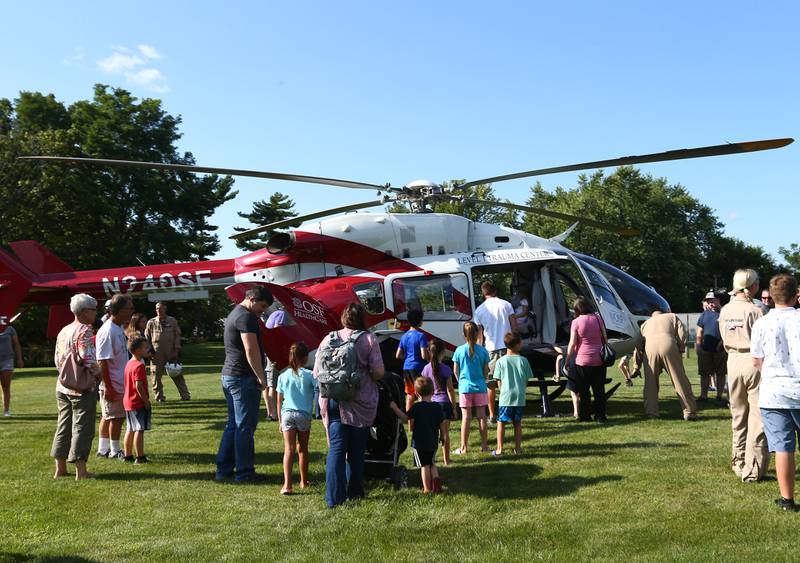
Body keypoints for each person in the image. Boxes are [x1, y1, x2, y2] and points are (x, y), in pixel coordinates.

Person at [314, 302, 384, 508]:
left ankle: (333, 498)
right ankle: (355, 492)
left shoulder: (329, 338)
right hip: (359, 402)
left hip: (333, 399)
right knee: (356, 449)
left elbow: (318, 371)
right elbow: (378, 372)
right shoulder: (369, 339)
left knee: (336, 448)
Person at [750, 274, 800, 511]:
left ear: (770, 296)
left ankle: (787, 499)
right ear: (795, 295)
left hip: (773, 393)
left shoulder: (761, 323)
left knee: (783, 448)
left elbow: (757, 360)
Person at [216, 286, 273, 483]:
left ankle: (223, 470)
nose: (262, 311)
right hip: (242, 377)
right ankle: (244, 472)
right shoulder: (246, 317)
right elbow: (251, 349)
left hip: (230, 375)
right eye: (262, 306)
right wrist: (261, 376)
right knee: (244, 427)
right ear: (252, 299)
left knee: (233, 424)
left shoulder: (234, 314)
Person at [719, 268, 769, 481]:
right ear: (753, 286)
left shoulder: (725, 310)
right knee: (757, 417)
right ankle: (753, 469)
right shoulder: (757, 311)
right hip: (753, 360)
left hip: (733, 361)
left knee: (738, 415)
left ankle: (737, 461)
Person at [51, 294, 102, 480]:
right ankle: (81, 471)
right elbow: (88, 358)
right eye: (94, 309)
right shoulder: (84, 330)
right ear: (84, 311)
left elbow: (57, 358)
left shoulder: (64, 330)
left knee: (63, 426)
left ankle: (60, 469)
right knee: (83, 426)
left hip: (62, 386)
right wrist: (99, 375)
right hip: (81, 387)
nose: (96, 312)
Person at [632, 305, 697, 421]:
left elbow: (638, 345)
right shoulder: (672, 316)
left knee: (650, 384)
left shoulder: (645, 324)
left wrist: (636, 366)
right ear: (664, 311)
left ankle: (652, 413)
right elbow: (682, 333)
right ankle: (689, 412)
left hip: (649, 349)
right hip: (669, 345)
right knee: (679, 380)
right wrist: (681, 348)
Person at [95, 293, 135, 460]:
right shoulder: (107, 330)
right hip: (113, 383)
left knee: (107, 415)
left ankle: (103, 449)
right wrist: (109, 387)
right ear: (118, 310)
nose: (132, 311)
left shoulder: (118, 328)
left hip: (119, 381)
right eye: (129, 308)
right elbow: (102, 361)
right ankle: (114, 450)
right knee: (116, 418)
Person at [389, 377, 445, 494]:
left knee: (424, 465)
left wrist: (395, 408)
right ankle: (436, 483)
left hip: (419, 443)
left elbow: (405, 418)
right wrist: (443, 436)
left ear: (416, 393)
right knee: (432, 463)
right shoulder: (437, 407)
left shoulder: (417, 407)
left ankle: (427, 489)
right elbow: (441, 424)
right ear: (433, 391)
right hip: (433, 441)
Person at [277, 341, 317, 495]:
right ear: (306, 358)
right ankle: (303, 481)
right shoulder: (309, 375)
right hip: (303, 415)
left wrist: (280, 421)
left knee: (289, 449)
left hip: (287, 415)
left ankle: (287, 485)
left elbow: (279, 399)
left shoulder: (283, 375)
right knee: (303, 449)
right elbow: (318, 389)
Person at [474, 281, 517, 424]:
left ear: (483, 293)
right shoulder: (506, 305)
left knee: (490, 385)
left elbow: (480, 337)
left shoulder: (479, 310)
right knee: (506, 383)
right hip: (508, 348)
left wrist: (479, 353)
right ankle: (507, 414)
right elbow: (515, 327)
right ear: (495, 290)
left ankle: (492, 415)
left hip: (490, 349)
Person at [566, 297, 608, 423]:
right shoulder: (598, 319)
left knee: (584, 390)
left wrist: (568, 359)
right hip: (599, 359)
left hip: (582, 360)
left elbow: (572, 343)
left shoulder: (576, 322)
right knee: (599, 390)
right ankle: (600, 415)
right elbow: (605, 337)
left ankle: (585, 415)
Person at [492, 332, 533, 455]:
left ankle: (499, 449)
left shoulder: (501, 361)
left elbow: (498, 380)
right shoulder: (524, 360)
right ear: (517, 344)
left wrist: (502, 390)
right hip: (519, 396)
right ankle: (518, 449)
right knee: (517, 423)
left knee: (501, 422)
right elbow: (526, 379)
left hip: (506, 396)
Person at [452, 321, 490, 454]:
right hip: (480, 387)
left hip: (465, 388)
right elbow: (486, 371)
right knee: (482, 417)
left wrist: (461, 382)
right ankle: (484, 446)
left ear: (464, 334)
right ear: (478, 333)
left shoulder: (459, 350)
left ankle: (463, 447)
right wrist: (482, 379)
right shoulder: (483, 351)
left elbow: (456, 371)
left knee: (466, 418)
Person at [421, 338, 457, 465]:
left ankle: (432, 458)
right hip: (444, 404)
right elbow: (450, 390)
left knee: (432, 434)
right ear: (443, 352)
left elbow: (423, 389)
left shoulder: (425, 369)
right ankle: (447, 459)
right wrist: (454, 408)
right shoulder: (446, 369)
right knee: (444, 433)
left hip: (431, 404)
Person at [145, 302, 189, 402]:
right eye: (157, 309)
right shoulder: (151, 322)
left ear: (165, 309)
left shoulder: (172, 321)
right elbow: (147, 338)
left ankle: (185, 395)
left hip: (170, 351)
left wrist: (176, 350)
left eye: (160, 308)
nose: (158, 311)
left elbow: (177, 336)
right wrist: (149, 351)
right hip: (156, 353)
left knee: (177, 373)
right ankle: (159, 397)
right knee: (156, 375)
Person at [123, 336, 152, 464]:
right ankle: (140, 457)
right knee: (139, 429)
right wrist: (146, 401)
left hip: (128, 401)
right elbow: (138, 385)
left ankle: (127, 455)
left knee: (130, 428)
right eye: (145, 348)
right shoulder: (139, 366)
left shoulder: (129, 363)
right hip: (137, 402)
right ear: (138, 350)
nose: (148, 349)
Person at [395, 309, 430, 417]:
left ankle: (409, 420)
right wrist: (430, 357)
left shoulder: (404, 336)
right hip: (418, 367)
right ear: (420, 321)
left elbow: (398, 355)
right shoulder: (421, 336)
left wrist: (408, 357)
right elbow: (424, 355)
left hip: (407, 367)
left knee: (410, 395)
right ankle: (421, 417)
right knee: (421, 393)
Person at [696, 291, 727, 405]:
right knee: (704, 374)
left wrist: (722, 342)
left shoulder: (725, 313)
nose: (710, 303)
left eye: (712, 300)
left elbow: (729, 330)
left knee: (721, 374)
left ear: (718, 300)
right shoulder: (704, 314)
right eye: (708, 301)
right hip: (705, 349)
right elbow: (699, 332)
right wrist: (699, 346)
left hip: (721, 350)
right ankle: (703, 396)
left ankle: (719, 396)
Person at [263, 306, 288, 421]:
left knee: (267, 384)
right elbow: (277, 331)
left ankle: (270, 412)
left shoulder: (274, 314)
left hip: (266, 352)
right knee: (273, 384)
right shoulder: (281, 314)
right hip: (273, 353)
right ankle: (274, 415)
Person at [0, 323, 24, 417]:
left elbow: (16, 344)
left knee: (5, 387)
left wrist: (19, 359)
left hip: (7, 361)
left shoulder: (10, 329)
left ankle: (6, 410)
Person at [554, 345, 580, 418]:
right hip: (583, 366)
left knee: (574, 393)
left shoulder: (567, 351)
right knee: (583, 391)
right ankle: (583, 411)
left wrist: (553, 345)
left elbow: (560, 352)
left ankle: (576, 412)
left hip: (571, 370)